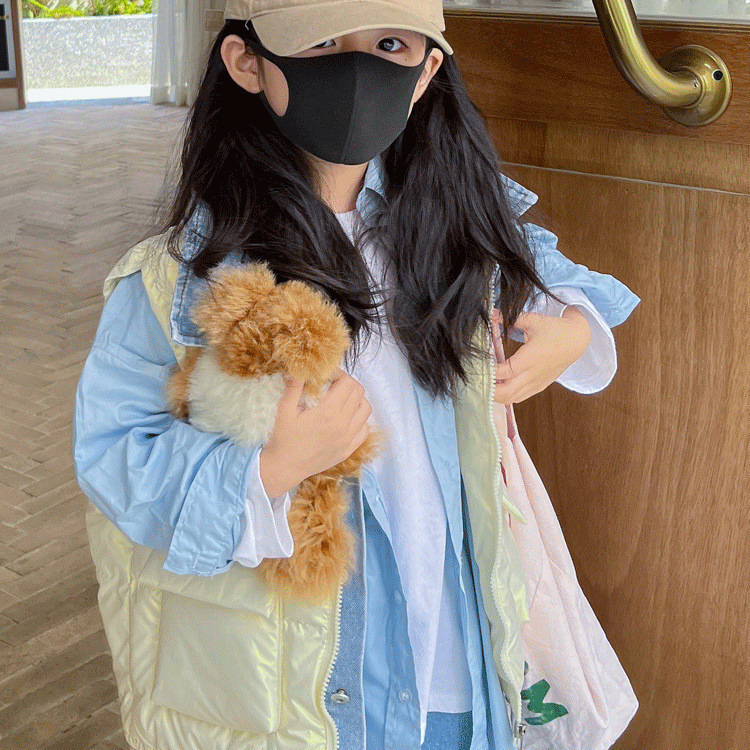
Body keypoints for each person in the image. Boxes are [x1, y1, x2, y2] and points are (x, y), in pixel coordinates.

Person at [72, 1, 640, 749]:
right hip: (299, 690)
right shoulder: (176, 277)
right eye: (321, 42)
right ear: (248, 62)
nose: (356, 68)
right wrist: (271, 468)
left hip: (453, 660)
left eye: (389, 43)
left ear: (425, 72)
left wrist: (572, 332)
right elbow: (115, 457)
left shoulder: (457, 222)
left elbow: (568, 283)